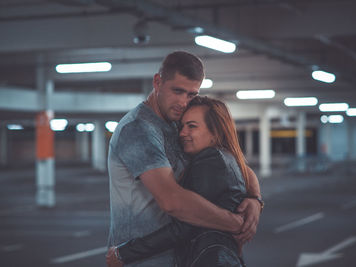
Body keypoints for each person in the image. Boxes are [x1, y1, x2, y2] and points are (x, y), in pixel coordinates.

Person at [106, 51, 262, 266]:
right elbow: (172, 201)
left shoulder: (178, 124)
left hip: (181, 256)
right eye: (177, 91)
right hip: (143, 260)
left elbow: (235, 166)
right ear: (157, 82)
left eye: (190, 94)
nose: (183, 102)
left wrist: (254, 199)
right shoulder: (138, 130)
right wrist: (236, 223)